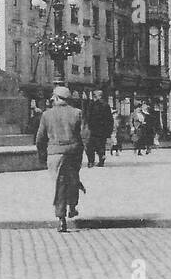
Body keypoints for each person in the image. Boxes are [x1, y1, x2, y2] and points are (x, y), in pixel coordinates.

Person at [35, 85, 85, 233]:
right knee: (73, 179)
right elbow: (84, 134)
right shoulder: (77, 113)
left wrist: (42, 155)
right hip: (73, 152)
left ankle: (61, 218)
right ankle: (73, 207)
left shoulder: (46, 115)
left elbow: (40, 138)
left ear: (55, 99)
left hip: (55, 153)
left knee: (60, 184)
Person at [84, 95, 114, 168]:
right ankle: (101, 160)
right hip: (102, 130)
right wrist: (109, 131)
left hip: (93, 129)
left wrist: (87, 126)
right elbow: (110, 119)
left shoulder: (92, 105)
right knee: (101, 146)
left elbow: (88, 117)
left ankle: (91, 161)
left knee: (90, 146)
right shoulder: (106, 105)